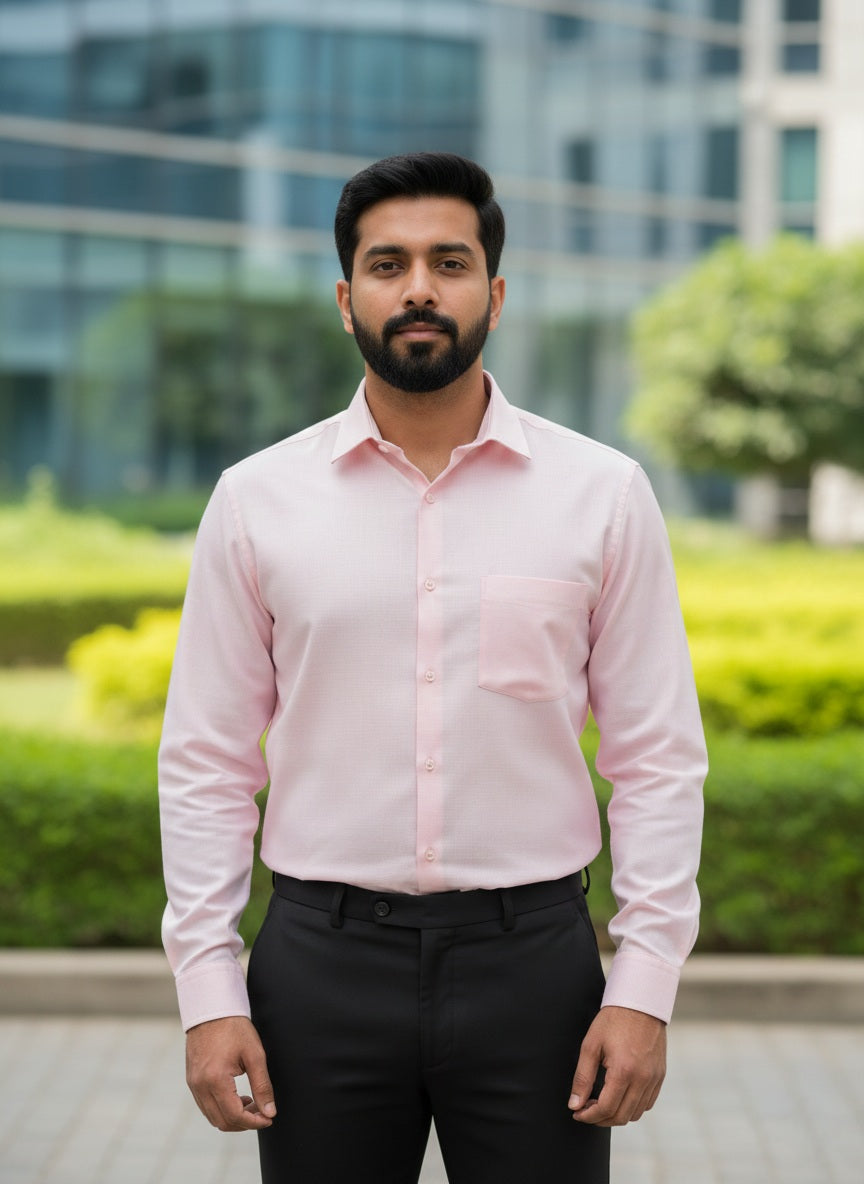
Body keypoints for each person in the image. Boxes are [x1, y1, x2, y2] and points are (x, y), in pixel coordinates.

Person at [159, 152, 706, 1184]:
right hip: (319, 965)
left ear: (493, 292)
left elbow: (658, 759)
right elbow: (206, 761)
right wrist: (209, 989)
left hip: (534, 966)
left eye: (449, 261)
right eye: (387, 262)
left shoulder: (602, 493)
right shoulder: (255, 499)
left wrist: (642, 984)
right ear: (345, 297)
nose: (418, 286)